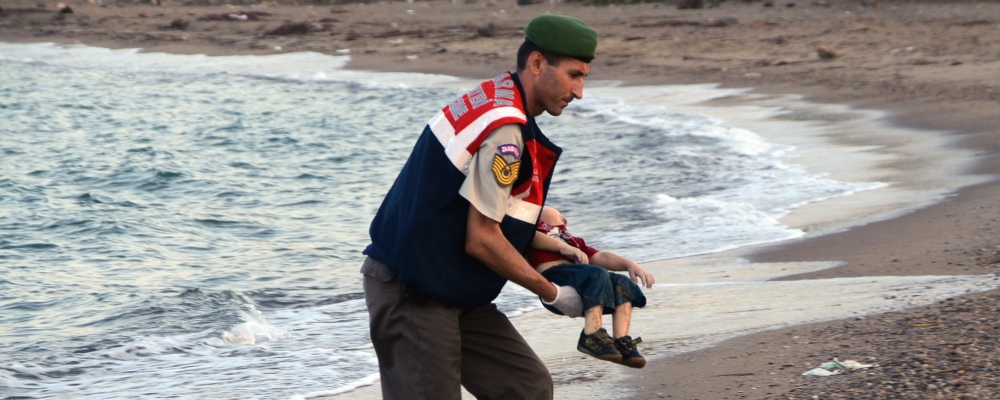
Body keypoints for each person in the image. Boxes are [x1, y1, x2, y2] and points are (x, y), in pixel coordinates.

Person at [360, 14, 598, 400]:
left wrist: (549, 234)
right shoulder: (505, 129)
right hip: (413, 289)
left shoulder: (501, 97)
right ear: (537, 64)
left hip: (454, 287)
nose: (580, 91)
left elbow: (486, 202)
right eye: (574, 75)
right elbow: (482, 239)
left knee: (527, 388)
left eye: (584, 77)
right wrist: (552, 293)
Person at [527, 206, 655, 369]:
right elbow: (531, 236)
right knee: (597, 273)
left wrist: (629, 264)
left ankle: (621, 341)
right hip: (554, 277)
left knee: (622, 282)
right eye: (559, 214)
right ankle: (591, 334)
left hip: (582, 282)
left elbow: (600, 256)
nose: (564, 218)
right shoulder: (534, 234)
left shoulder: (572, 241)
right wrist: (562, 247)